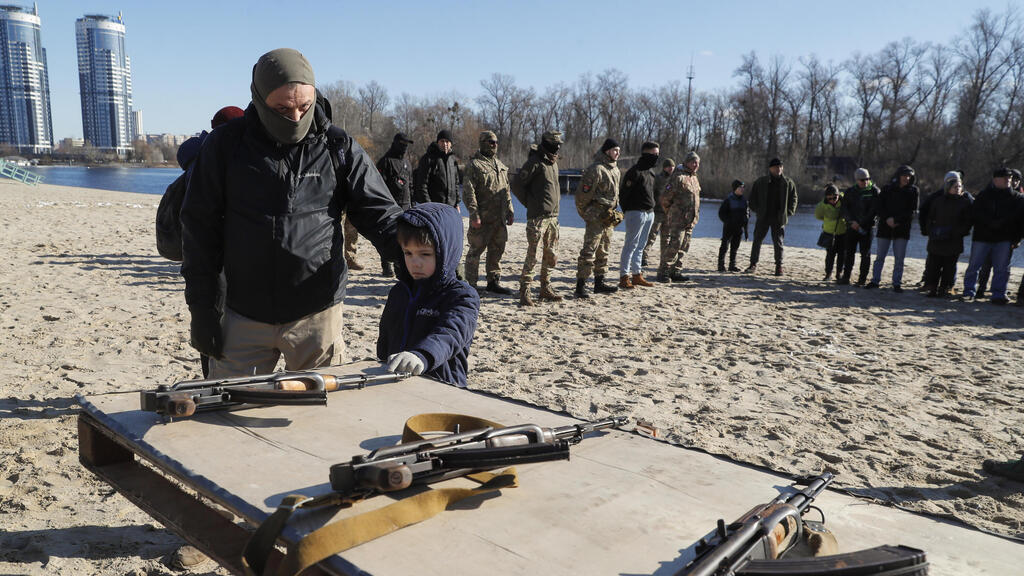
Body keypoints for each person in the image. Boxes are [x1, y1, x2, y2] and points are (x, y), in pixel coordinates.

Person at [180, 48, 403, 379]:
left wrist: (421, 258)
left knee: (319, 420)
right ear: (258, 98)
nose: (296, 118)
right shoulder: (225, 146)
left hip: (316, 316)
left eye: (304, 107)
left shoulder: (338, 147)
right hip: (243, 314)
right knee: (229, 417)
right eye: (282, 108)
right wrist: (202, 310)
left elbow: (380, 214)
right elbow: (200, 230)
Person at [170, 106, 244, 378]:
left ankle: (210, 375)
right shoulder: (218, 160)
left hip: (202, 258)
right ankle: (212, 378)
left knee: (209, 319)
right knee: (217, 319)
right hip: (219, 259)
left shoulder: (200, 159)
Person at [377, 203, 479, 387]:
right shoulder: (400, 292)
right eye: (408, 253)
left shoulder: (462, 296)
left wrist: (422, 355)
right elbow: (386, 336)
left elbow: (450, 334)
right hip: (396, 384)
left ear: (446, 252)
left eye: (425, 254)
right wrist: (382, 361)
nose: (415, 262)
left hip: (442, 386)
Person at [961, 167, 1024, 304]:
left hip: (1005, 238)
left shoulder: (1017, 198)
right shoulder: (984, 195)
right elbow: (975, 214)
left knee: (1002, 268)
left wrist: (1017, 238)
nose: (1008, 180)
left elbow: (1019, 220)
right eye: (1005, 177)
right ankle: (969, 291)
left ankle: (998, 294)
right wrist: (989, 223)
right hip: (982, 236)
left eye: (1010, 178)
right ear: (995, 180)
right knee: (974, 266)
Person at [462, 130, 514, 295]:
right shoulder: (475, 166)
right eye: (491, 142)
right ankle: (471, 284)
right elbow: (468, 192)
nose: (494, 145)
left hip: (499, 218)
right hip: (482, 218)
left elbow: (506, 190)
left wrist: (510, 210)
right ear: (483, 143)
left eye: (496, 142)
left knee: (497, 249)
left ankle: (493, 281)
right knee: (475, 251)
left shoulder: (500, 165)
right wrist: (473, 214)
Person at [518, 131, 564, 306]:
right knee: (533, 255)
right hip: (537, 218)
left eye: (559, 144)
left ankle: (545, 287)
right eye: (554, 144)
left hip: (553, 217)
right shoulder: (534, 162)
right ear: (545, 143)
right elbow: (517, 185)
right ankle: (525, 290)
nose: (557, 147)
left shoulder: (553, 163)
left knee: (551, 255)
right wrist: (530, 204)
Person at [575, 138, 622, 298]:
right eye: (615, 150)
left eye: (619, 151)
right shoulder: (596, 169)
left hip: (608, 217)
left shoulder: (615, 170)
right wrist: (587, 214)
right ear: (607, 151)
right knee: (589, 251)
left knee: (604, 250)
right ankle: (580, 285)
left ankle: (599, 283)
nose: (617, 153)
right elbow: (582, 196)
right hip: (595, 216)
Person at [866, 165, 919, 292]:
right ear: (898, 175)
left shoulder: (913, 191)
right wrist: (887, 218)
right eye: (904, 175)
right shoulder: (887, 189)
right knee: (880, 256)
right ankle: (875, 280)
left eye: (909, 176)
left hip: (902, 228)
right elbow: (879, 207)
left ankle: (896, 283)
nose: (906, 178)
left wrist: (897, 220)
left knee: (899, 258)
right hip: (885, 227)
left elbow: (912, 211)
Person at [921, 172, 973, 298]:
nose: (958, 189)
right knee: (934, 266)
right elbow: (929, 218)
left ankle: (945, 288)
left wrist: (956, 233)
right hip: (936, 239)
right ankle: (932, 288)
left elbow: (967, 222)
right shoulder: (938, 201)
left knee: (949, 267)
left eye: (960, 186)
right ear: (948, 187)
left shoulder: (965, 203)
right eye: (955, 186)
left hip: (953, 240)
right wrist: (931, 231)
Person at [744, 157, 798, 276]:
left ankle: (779, 267)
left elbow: (794, 198)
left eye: (780, 167)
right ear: (770, 169)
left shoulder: (788, 182)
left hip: (779, 218)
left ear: (782, 168)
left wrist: (788, 212)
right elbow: (752, 199)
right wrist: (758, 210)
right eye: (775, 167)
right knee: (757, 240)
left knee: (778, 242)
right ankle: (753, 264)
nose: (778, 169)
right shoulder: (761, 182)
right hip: (763, 216)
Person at [617, 141, 660, 288]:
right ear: (646, 154)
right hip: (635, 213)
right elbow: (623, 195)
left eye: (657, 154)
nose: (656, 157)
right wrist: (628, 211)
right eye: (654, 154)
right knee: (631, 245)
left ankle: (637, 274)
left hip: (649, 213)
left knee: (641, 246)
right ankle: (624, 277)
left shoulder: (651, 172)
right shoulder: (634, 172)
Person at [657, 151, 702, 282]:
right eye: (693, 162)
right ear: (687, 162)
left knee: (684, 246)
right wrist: (671, 212)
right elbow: (665, 198)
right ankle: (663, 272)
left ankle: (676, 271)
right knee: (674, 246)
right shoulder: (678, 177)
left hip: (691, 219)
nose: (696, 165)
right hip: (678, 219)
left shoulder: (694, 178)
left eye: (698, 162)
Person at [376, 132, 415, 277]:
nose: (405, 147)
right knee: (388, 237)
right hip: (389, 206)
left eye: (407, 145)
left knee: (404, 238)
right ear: (396, 143)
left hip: (406, 206)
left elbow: (410, 185)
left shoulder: (407, 163)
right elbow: (378, 185)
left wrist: (413, 203)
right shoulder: (385, 161)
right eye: (403, 144)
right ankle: (386, 266)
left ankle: (400, 266)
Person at [839, 167, 881, 285]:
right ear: (856, 180)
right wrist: (851, 222)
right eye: (862, 180)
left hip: (867, 228)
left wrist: (861, 224)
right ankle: (846, 277)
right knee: (849, 252)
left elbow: (874, 211)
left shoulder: (875, 192)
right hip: (852, 226)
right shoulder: (850, 191)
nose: (865, 182)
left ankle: (862, 279)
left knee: (865, 254)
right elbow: (844, 209)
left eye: (867, 179)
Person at [414, 129, 461, 208]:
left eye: (447, 141)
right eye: (442, 141)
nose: (445, 144)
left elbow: (456, 184)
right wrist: (428, 205)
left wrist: (457, 203)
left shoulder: (452, 160)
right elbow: (422, 185)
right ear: (438, 142)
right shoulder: (428, 159)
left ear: (451, 144)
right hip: (434, 207)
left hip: (450, 207)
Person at [642, 157, 674, 267]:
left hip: (669, 213)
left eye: (672, 166)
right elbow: (651, 193)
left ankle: (664, 259)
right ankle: (643, 257)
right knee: (651, 236)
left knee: (666, 238)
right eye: (669, 166)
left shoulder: (675, 179)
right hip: (657, 212)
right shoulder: (658, 178)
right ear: (664, 168)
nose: (671, 168)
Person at [813, 184, 846, 282]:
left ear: (838, 195)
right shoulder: (821, 205)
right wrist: (828, 221)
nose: (832, 200)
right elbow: (818, 216)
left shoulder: (845, 201)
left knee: (842, 255)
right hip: (829, 233)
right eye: (829, 198)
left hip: (843, 233)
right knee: (830, 255)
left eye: (834, 197)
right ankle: (828, 274)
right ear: (826, 197)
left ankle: (839, 274)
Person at [718, 179, 749, 272]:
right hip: (729, 227)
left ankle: (732, 265)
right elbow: (721, 213)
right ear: (735, 188)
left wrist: (746, 228)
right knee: (724, 246)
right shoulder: (728, 200)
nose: (742, 189)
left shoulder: (744, 201)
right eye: (740, 187)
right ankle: (721, 265)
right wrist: (727, 221)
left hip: (739, 228)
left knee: (735, 247)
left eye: (743, 187)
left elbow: (747, 214)